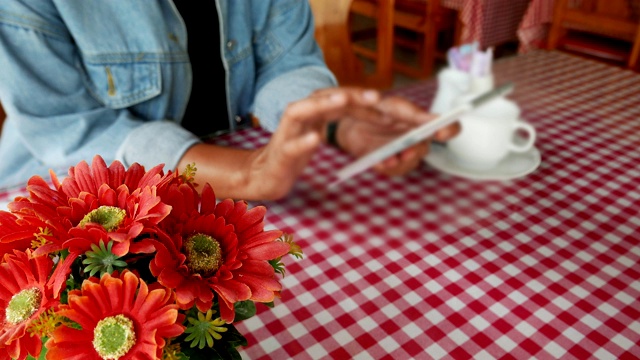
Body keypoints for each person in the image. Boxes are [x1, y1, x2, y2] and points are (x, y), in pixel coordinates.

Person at [0, 1, 458, 201]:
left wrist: (341, 123)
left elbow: (286, 63)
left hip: (228, 187)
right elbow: (72, 130)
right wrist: (247, 173)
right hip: (65, 201)